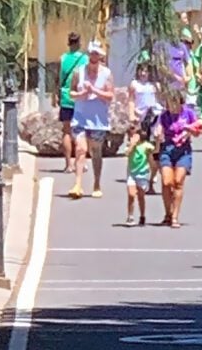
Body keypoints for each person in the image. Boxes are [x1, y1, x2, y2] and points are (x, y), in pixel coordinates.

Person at [68, 41, 114, 199]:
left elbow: (110, 96)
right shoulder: (78, 72)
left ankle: (96, 183)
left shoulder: (106, 73)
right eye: (92, 53)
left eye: (97, 54)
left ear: (100, 56)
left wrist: (94, 90)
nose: (94, 56)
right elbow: (71, 93)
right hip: (80, 117)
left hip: (98, 120)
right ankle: (78, 184)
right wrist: (81, 95)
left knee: (96, 152)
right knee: (80, 149)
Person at [155, 91, 202, 228]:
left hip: (183, 150)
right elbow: (159, 129)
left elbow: (198, 132)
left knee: (178, 182)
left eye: (173, 104)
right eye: (169, 104)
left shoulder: (188, 114)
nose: (171, 107)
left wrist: (189, 131)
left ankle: (175, 216)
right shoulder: (164, 116)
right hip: (167, 149)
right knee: (166, 182)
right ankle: (167, 213)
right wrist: (158, 134)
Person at [55, 32, 88, 173]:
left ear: (69, 43)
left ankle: (68, 164)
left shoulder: (62, 59)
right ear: (79, 43)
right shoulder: (85, 59)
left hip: (66, 98)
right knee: (81, 131)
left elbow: (58, 79)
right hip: (81, 98)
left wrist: (56, 95)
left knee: (66, 131)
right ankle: (82, 162)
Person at [125, 125, 155, 226]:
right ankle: (130, 216)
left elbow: (153, 153)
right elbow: (127, 153)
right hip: (132, 173)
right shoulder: (130, 146)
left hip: (142, 174)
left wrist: (153, 172)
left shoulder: (146, 146)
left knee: (141, 196)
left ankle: (142, 215)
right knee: (131, 195)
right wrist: (132, 144)